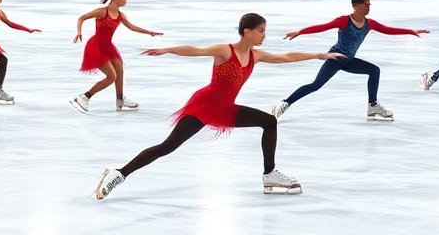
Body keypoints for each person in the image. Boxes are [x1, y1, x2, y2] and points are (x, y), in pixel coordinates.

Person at [92, 13, 343, 201]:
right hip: (205, 105)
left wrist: (318, 55)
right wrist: (168, 49)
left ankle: (270, 174)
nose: (264, 35)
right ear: (247, 32)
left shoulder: (255, 55)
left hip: (225, 108)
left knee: (269, 121)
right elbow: (196, 50)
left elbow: (286, 57)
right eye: (260, 31)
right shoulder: (226, 50)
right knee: (168, 146)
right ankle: (118, 173)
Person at [271, 0, 428, 122]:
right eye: (367, 4)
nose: (369, 7)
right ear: (357, 6)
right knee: (316, 85)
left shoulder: (369, 23)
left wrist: (410, 31)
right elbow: (322, 27)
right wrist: (300, 31)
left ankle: (372, 105)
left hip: (348, 60)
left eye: (369, 4)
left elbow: (388, 30)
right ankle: (285, 103)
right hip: (335, 58)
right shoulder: (344, 20)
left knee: (374, 70)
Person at [70, 0, 163, 114]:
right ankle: (84, 97)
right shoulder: (103, 11)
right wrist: (79, 32)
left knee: (120, 71)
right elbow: (81, 18)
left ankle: (120, 100)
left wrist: (150, 32)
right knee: (111, 76)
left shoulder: (121, 15)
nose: (126, 0)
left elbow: (132, 27)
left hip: (108, 46)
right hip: (96, 46)